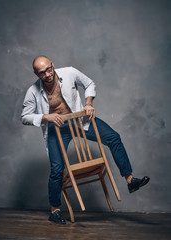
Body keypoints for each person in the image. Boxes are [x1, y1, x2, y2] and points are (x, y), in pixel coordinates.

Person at [21, 56, 150, 224]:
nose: (47, 74)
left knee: (113, 137)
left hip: (79, 119)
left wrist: (88, 103)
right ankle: (55, 210)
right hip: (57, 128)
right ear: (36, 74)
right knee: (57, 169)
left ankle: (130, 180)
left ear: (53, 65)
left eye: (48, 69)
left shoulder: (69, 73)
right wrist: (47, 116)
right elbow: (25, 117)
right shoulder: (33, 91)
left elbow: (89, 84)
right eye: (42, 72)